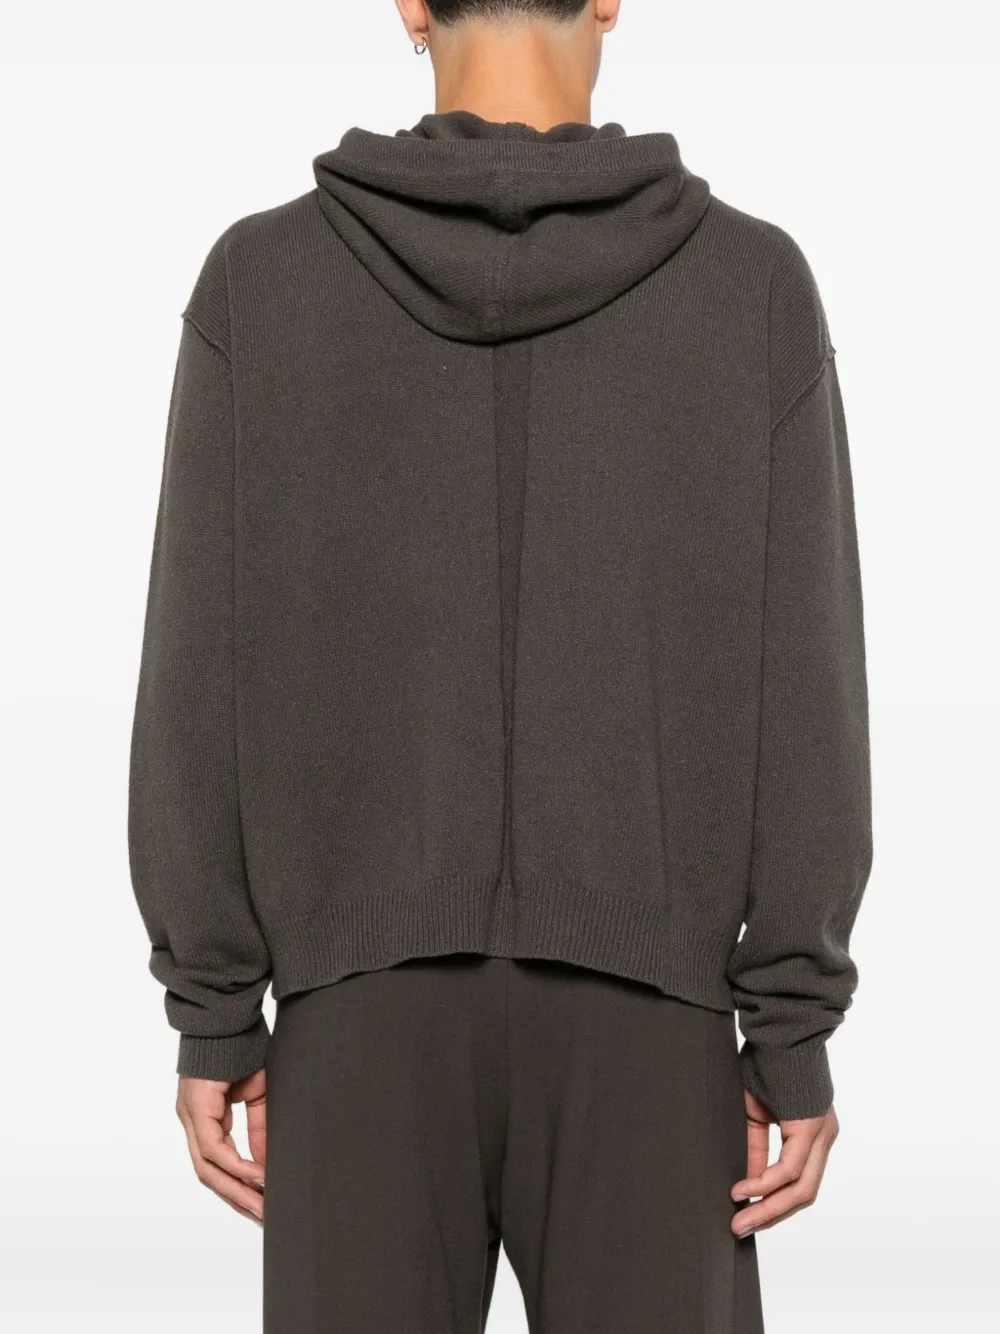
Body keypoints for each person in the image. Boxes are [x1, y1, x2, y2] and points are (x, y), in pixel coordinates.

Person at [128, 1, 872, 1329]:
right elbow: (808, 682)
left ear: (411, 5)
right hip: (651, 1024)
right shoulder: (751, 286)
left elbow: (194, 666)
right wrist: (792, 1028)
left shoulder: (262, 281)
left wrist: (215, 1007)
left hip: (358, 1020)